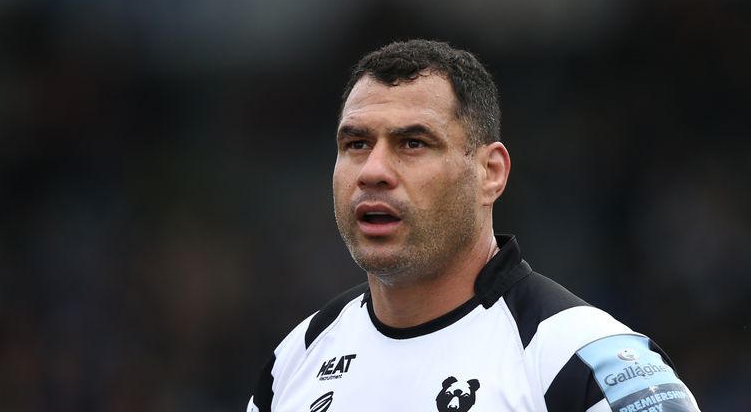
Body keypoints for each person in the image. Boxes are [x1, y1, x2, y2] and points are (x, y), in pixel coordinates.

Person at [247, 39, 700, 412]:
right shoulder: (296, 359)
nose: (373, 170)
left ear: (491, 173)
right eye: (357, 143)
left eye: (412, 143)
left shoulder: (583, 359)